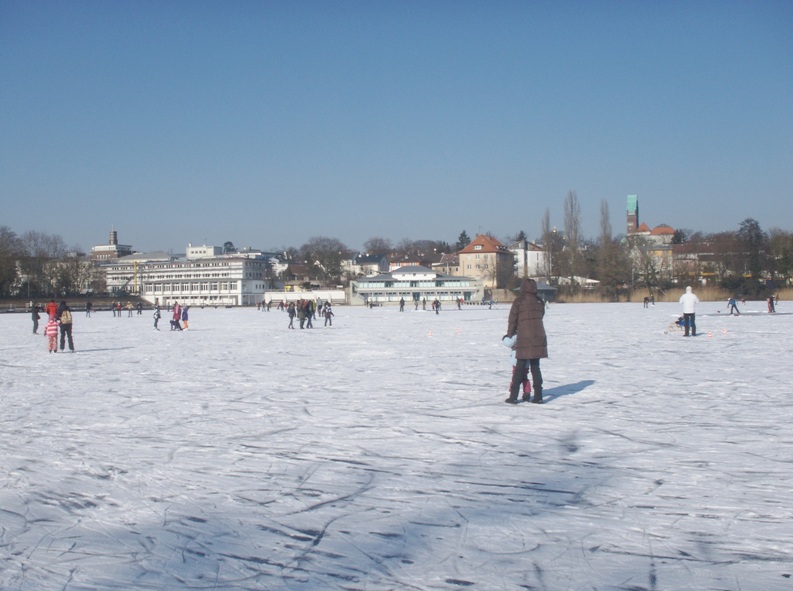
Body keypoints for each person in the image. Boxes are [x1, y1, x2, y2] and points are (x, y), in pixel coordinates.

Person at [505, 278, 547, 404]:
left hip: (524, 337)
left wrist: (510, 334)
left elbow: (512, 319)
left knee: (519, 368)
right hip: (539, 336)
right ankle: (538, 396)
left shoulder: (519, 301)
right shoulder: (539, 301)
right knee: (535, 367)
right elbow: (541, 315)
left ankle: (513, 396)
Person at [502, 334, 531, 399]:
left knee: (515, 376)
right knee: (524, 377)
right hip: (527, 360)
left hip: (517, 359)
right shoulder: (529, 333)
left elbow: (509, 343)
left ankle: (513, 390)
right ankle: (527, 391)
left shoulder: (518, 334)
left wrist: (505, 338)